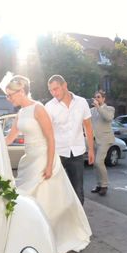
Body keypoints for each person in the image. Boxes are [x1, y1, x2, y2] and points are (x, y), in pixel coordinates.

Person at [4, 75, 91, 253]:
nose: (9, 98)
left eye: (10, 94)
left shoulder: (39, 108)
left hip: (44, 159)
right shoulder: (20, 113)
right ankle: (33, 236)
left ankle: (47, 238)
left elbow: (51, 138)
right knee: (27, 199)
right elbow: (9, 138)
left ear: (21, 91)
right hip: (29, 160)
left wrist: (50, 165)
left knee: (46, 201)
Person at [45, 75, 95, 204]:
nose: (54, 93)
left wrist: (91, 150)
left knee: (78, 191)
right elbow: (46, 134)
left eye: (56, 89)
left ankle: (79, 222)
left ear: (65, 85)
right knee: (55, 191)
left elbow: (88, 127)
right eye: (51, 90)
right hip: (58, 154)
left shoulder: (82, 102)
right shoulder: (49, 106)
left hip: (77, 153)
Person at [90, 90, 115, 196]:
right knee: (95, 164)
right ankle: (99, 184)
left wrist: (98, 108)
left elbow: (108, 118)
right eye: (95, 97)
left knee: (99, 162)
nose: (96, 99)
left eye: (99, 97)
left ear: (104, 99)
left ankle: (104, 185)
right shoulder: (92, 110)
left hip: (105, 139)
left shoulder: (109, 109)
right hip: (95, 139)